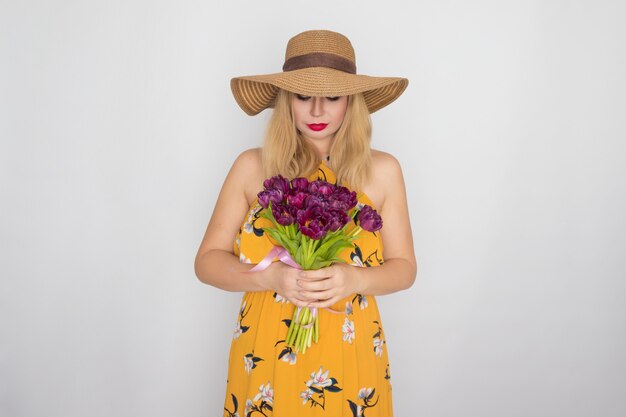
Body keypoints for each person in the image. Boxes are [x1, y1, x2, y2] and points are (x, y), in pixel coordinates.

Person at [194, 29, 417, 417]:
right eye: (303, 96)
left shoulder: (383, 171)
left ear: (351, 102)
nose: (317, 111)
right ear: (286, 102)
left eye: (332, 97)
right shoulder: (252, 167)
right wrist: (268, 277)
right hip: (266, 350)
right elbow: (207, 261)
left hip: (351, 350)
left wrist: (355, 279)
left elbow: (405, 269)